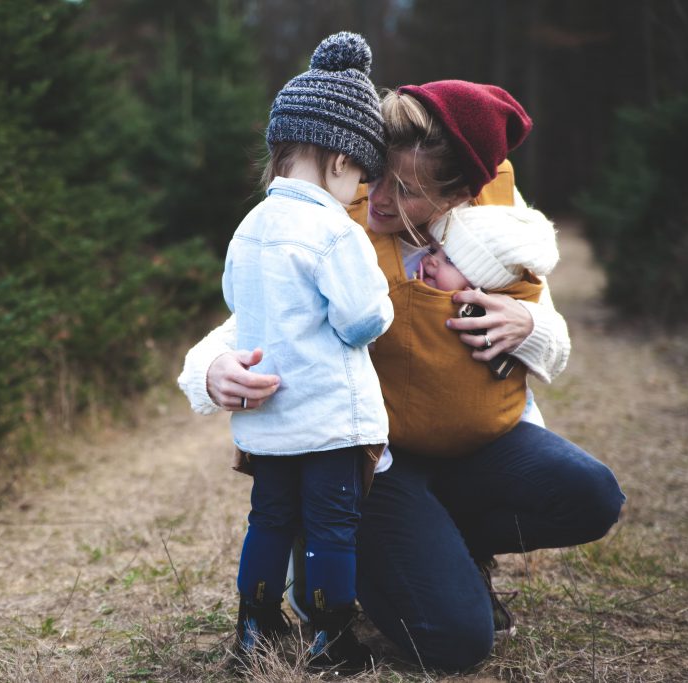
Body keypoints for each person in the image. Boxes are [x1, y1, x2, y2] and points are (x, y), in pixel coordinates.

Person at [178, 79, 625, 672]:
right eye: (377, 175)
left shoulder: (496, 231)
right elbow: (255, 317)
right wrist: (210, 370)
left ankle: (450, 545)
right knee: (456, 643)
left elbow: (555, 339)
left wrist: (529, 325)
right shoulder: (336, 220)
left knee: (592, 495)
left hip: (476, 447)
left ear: (459, 194)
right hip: (374, 461)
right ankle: (363, 553)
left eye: (406, 190)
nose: (379, 197)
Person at [222, 31, 391, 674]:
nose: (359, 193)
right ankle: (330, 638)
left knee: (268, 519)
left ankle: (254, 626)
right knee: (329, 529)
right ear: (341, 161)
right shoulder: (332, 230)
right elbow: (360, 320)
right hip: (327, 419)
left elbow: (237, 301)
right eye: (362, 177)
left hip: (268, 422)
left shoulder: (250, 225)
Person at [379, 203, 560, 458]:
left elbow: (554, 350)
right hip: (406, 439)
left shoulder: (497, 309)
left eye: (449, 260)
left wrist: (531, 326)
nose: (430, 261)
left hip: (499, 431)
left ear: (482, 286)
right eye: (433, 251)